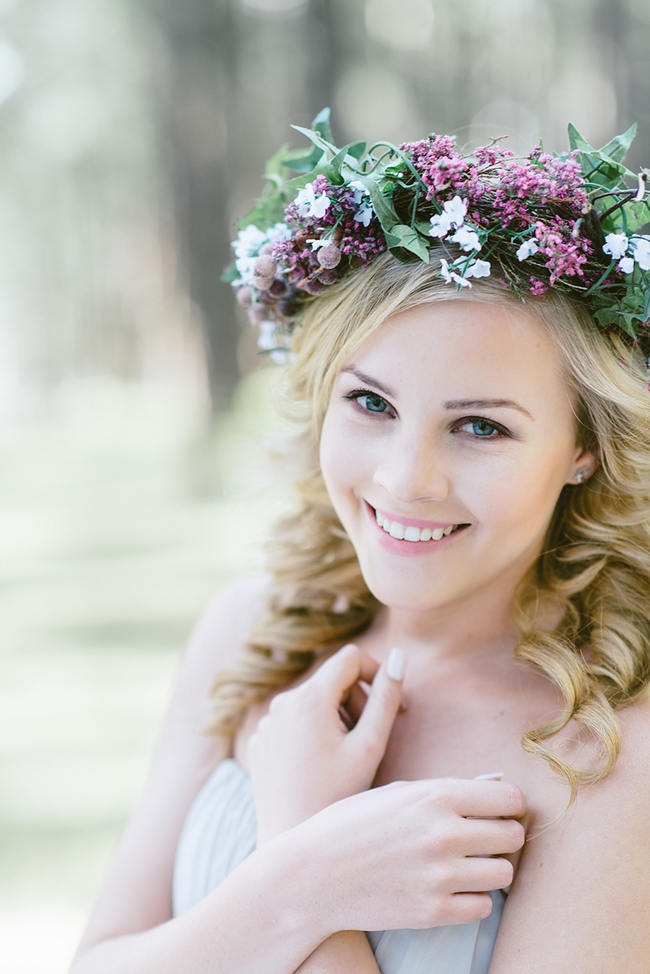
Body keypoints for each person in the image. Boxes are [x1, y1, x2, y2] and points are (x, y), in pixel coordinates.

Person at [70, 112, 650, 973]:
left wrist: (305, 845)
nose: (405, 479)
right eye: (371, 404)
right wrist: (295, 883)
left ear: (583, 449)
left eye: (482, 427)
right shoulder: (253, 630)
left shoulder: (607, 751)